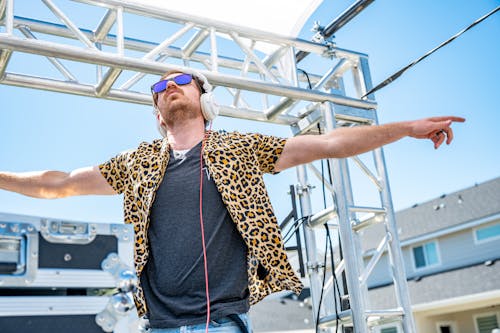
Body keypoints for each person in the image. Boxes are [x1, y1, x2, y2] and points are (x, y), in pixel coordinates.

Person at [0, 69, 465, 333]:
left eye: (180, 79)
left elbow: (329, 144)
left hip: (221, 321)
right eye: (159, 89)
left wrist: (405, 128)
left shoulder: (238, 148)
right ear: (157, 113)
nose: (169, 88)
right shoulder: (137, 162)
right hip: (158, 325)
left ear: (204, 98)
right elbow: (58, 183)